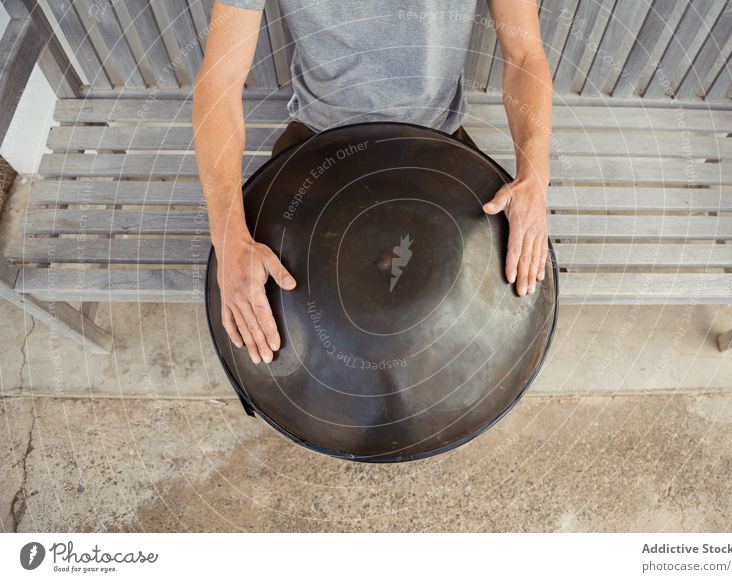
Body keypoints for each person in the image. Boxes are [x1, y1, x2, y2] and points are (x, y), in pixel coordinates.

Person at [193, 1, 552, 365]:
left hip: (438, 143)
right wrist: (226, 232)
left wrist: (534, 177)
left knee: (477, 343)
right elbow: (219, 82)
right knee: (289, 345)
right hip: (317, 143)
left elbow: (524, 56)